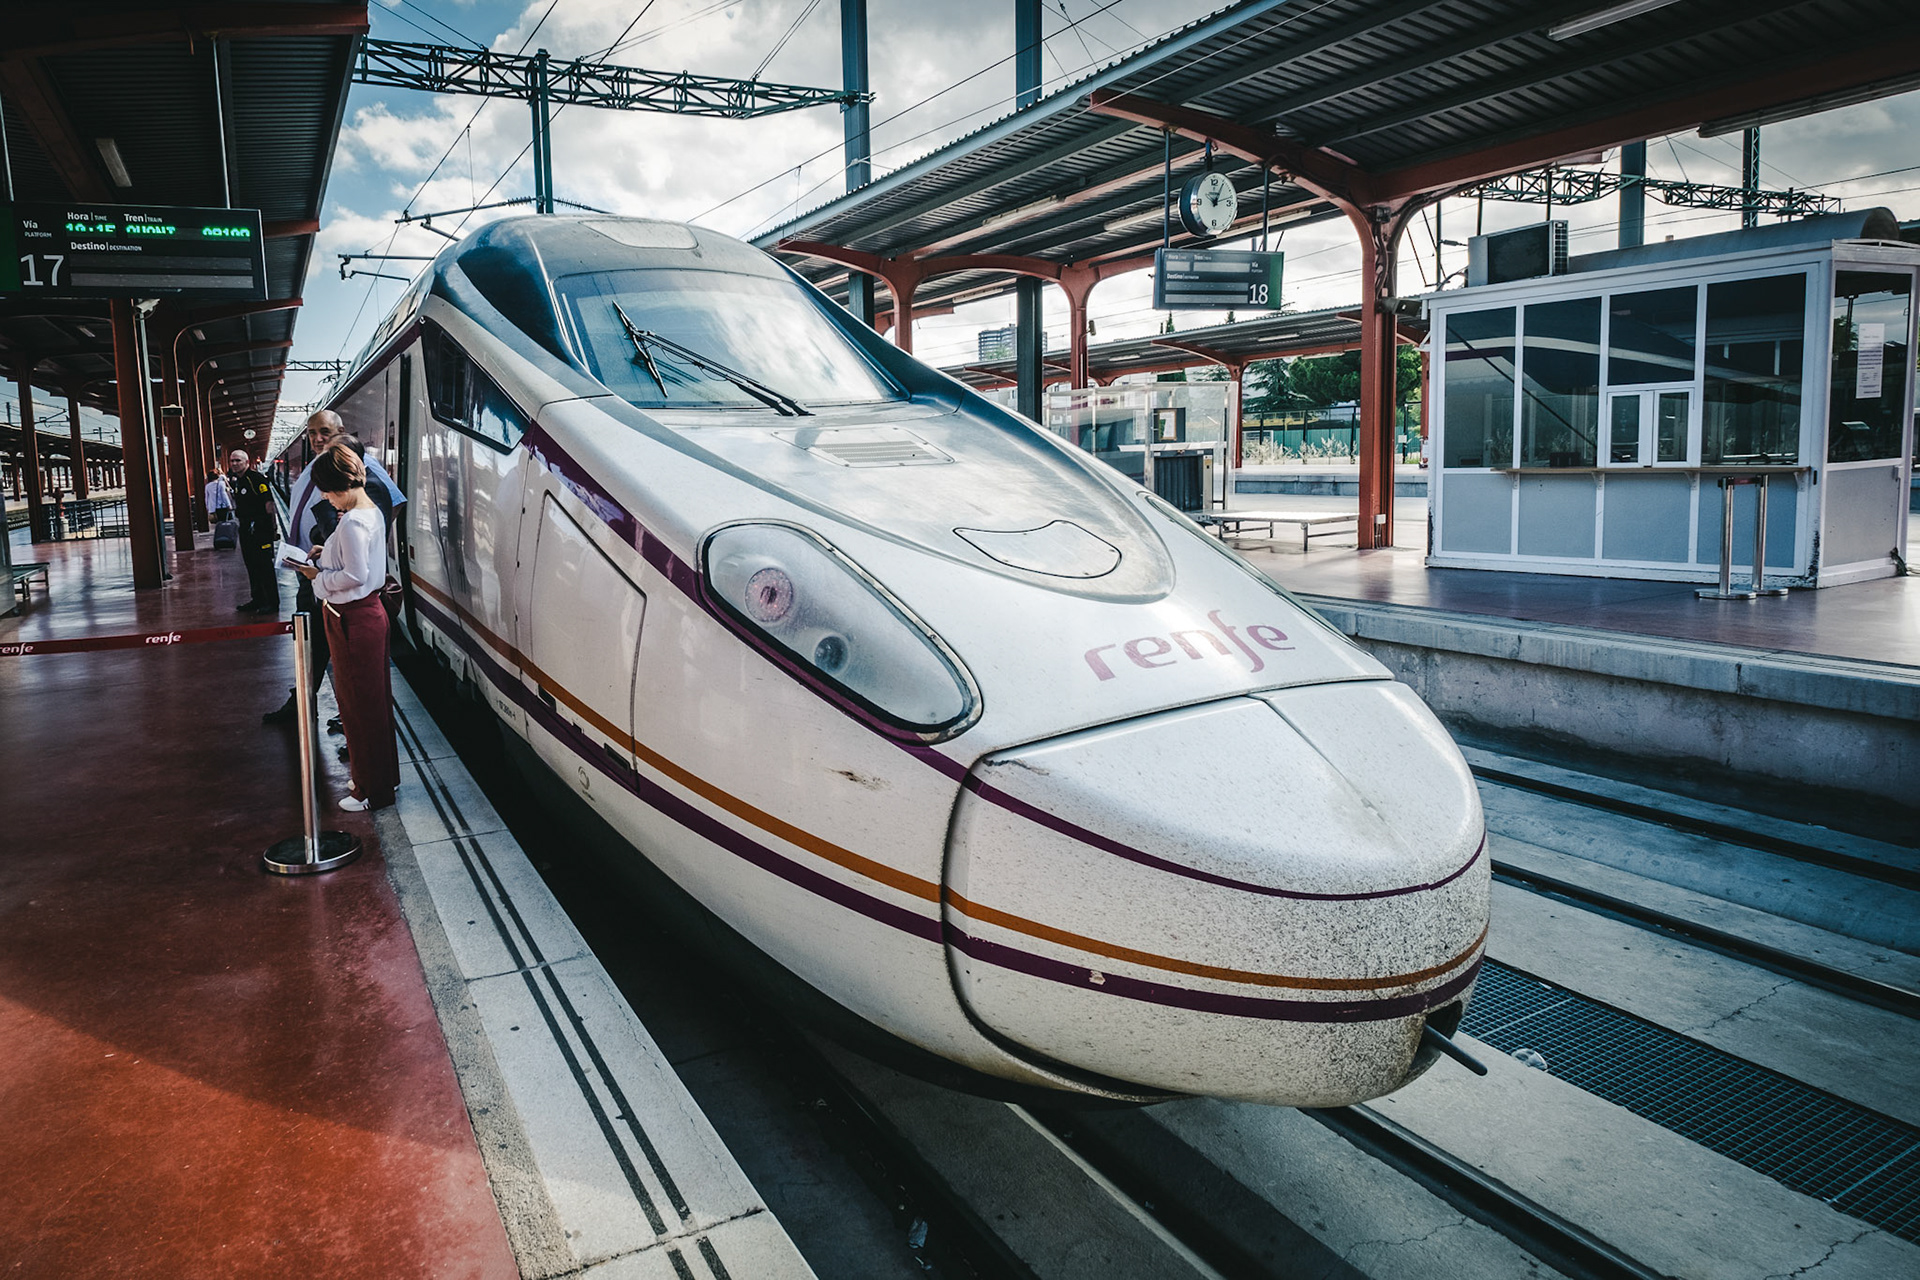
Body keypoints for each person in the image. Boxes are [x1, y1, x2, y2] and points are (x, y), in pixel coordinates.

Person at [265, 410, 404, 725]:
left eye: (324, 431)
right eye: (312, 433)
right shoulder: (317, 468)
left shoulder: (359, 471)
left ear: (340, 431)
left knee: (348, 659)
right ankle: (307, 703)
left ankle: (352, 720)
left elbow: (388, 506)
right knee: (315, 646)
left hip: (338, 584)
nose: (317, 439)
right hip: (315, 572)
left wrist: (344, 548)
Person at [289, 443, 398, 812]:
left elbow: (355, 575)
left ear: (341, 485)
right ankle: (382, 778)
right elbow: (360, 561)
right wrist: (327, 552)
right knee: (375, 703)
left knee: (357, 706)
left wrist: (316, 576)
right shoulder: (370, 511)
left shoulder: (351, 521)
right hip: (369, 615)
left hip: (351, 619)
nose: (323, 496)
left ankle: (369, 791)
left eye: (326, 489)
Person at [229, 449, 279, 614]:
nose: (234, 464)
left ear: (246, 462)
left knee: (264, 566)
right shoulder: (238, 481)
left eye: (238, 461)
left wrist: (273, 528)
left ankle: (272, 602)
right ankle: (257, 599)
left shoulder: (256, 479)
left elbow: (269, 504)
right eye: (232, 461)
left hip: (260, 528)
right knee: (251, 565)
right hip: (245, 529)